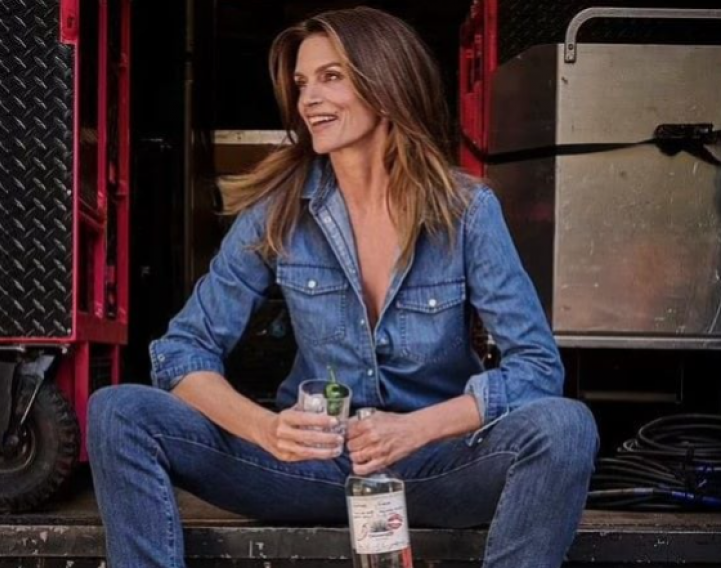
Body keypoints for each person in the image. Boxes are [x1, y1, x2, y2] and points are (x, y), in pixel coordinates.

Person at [87, 6, 599, 568]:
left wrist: (415, 429)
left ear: (387, 84)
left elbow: (537, 369)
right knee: (119, 411)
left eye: (331, 77)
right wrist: (267, 429)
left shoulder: (466, 211)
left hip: (435, 468)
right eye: (302, 83)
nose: (309, 99)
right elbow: (182, 352)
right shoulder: (278, 209)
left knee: (566, 427)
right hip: (304, 471)